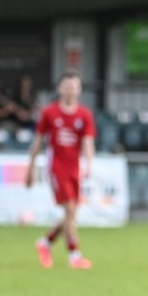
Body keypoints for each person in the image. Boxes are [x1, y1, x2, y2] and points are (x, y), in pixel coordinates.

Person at [24, 70, 96, 270]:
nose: (71, 90)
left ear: (79, 89)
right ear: (60, 88)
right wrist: (30, 167)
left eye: (74, 86)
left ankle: (45, 243)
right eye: (67, 86)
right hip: (57, 168)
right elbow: (38, 141)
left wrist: (89, 164)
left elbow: (88, 142)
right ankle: (75, 255)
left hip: (75, 168)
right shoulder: (49, 112)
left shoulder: (84, 115)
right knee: (70, 210)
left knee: (71, 215)